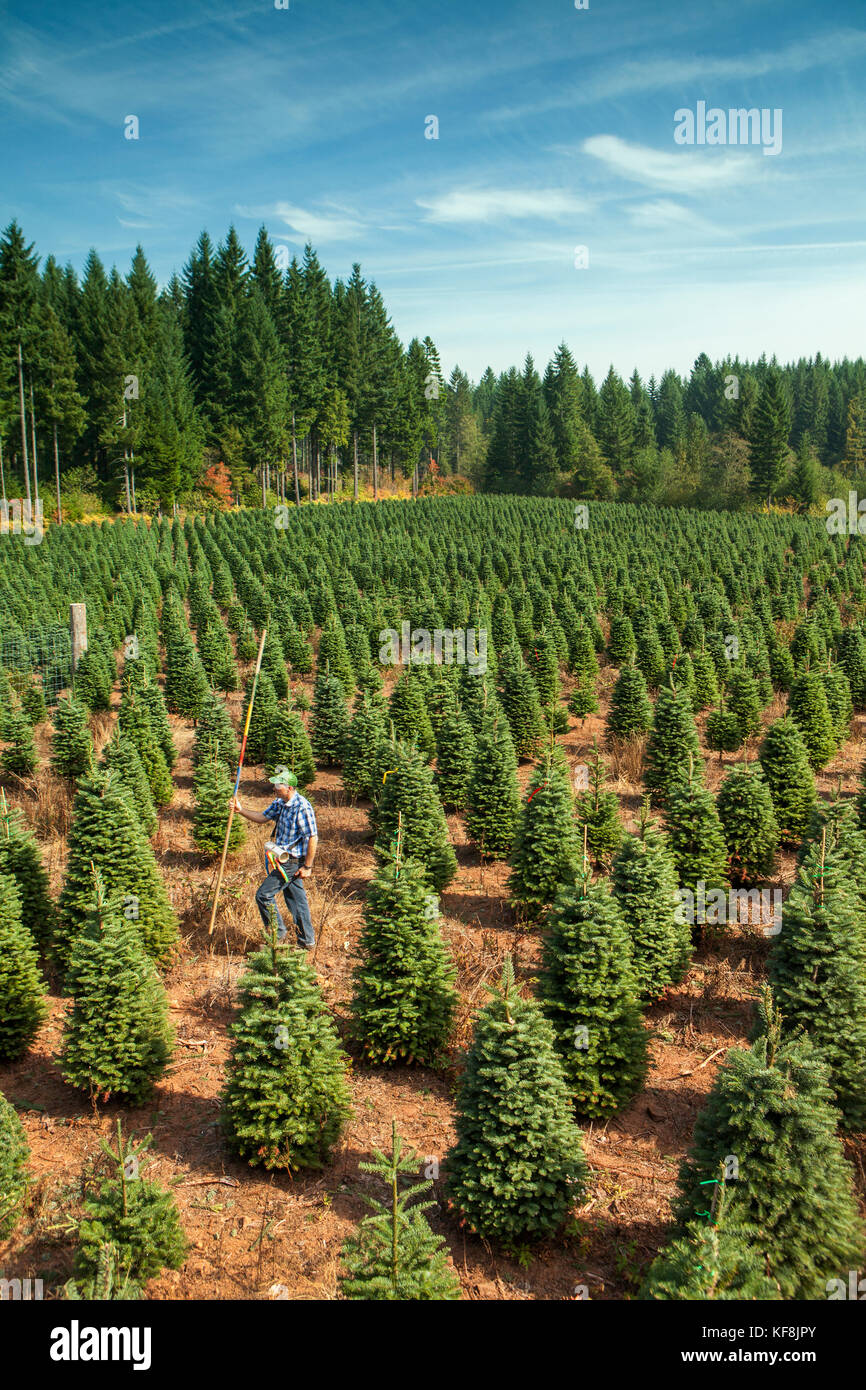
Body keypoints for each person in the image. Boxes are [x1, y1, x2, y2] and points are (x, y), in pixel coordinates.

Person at [233, 771, 318, 948]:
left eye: (278, 786)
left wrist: (308, 867)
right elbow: (262, 818)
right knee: (296, 900)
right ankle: (307, 941)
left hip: (293, 861)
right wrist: (240, 810)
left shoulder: (302, 807)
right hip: (281, 858)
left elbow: (312, 837)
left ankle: (277, 937)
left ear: (289, 788)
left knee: (263, 895)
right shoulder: (280, 803)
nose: (274, 788)